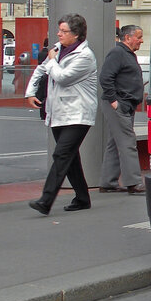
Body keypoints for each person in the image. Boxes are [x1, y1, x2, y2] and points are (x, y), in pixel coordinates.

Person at [25, 13, 98, 214]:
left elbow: (63, 78)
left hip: (78, 113)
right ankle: (82, 198)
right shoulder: (58, 50)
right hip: (58, 112)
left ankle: (45, 201)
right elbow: (41, 70)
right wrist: (30, 93)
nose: (59, 34)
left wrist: (51, 61)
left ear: (76, 35)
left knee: (61, 154)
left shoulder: (85, 56)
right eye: (59, 30)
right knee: (70, 157)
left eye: (64, 31)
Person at [98, 25, 145, 194]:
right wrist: (114, 101)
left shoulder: (124, 54)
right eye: (138, 37)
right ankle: (133, 182)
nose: (141, 40)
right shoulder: (118, 53)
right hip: (120, 104)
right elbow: (105, 77)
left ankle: (108, 182)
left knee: (114, 142)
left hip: (124, 103)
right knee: (127, 142)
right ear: (127, 38)